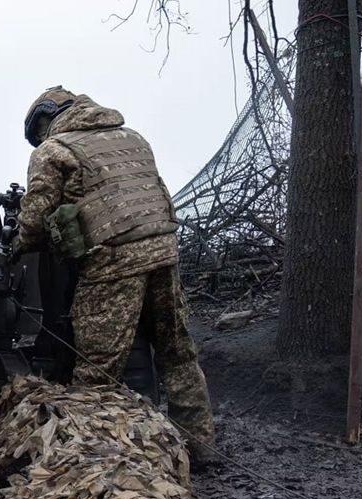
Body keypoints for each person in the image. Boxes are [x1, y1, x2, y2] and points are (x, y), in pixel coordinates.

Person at [13, 86, 217, 466]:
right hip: (164, 252)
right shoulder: (132, 137)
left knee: (97, 368)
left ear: (44, 120)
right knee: (177, 353)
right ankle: (200, 447)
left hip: (113, 261)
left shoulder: (53, 151)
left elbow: (36, 220)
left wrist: (18, 244)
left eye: (38, 132)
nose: (40, 139)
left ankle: (95, 461)